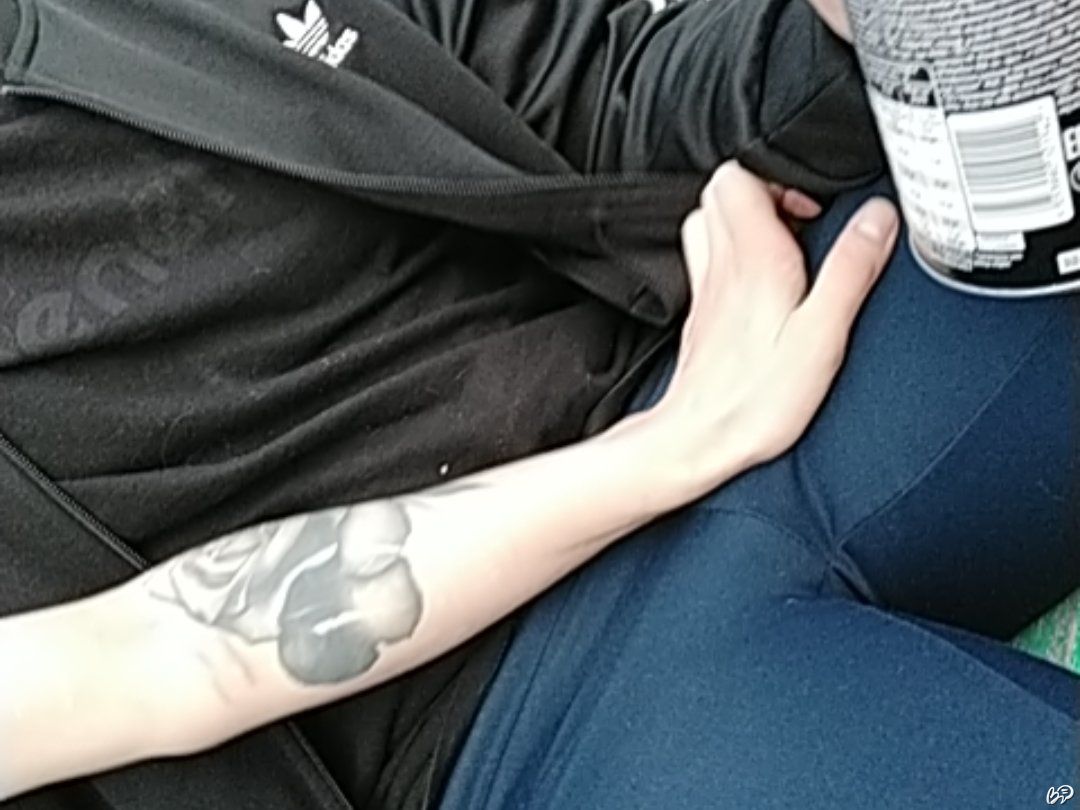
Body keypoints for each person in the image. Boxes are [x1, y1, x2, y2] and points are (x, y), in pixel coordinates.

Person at [0, 1, 1076, 809]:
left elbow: (586, 90)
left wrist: (839, 36)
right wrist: (671, 446)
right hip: (514, 734)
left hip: (719, 350)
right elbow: (149, 664)